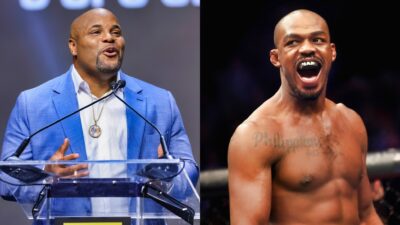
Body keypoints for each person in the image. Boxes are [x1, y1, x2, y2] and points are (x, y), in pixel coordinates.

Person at [0, 7, 198, 223]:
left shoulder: (159, 102)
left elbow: (189, 171)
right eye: (96, 32)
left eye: (116, 32)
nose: (109, 38)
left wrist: (166, 177)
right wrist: (44, 174)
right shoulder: (32, 103)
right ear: (73, 46)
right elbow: (5, 180)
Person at [228, 9, 383, 224]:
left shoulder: (351, 122)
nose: (308, 48)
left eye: (317, 40)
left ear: (332, 52)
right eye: (293, 42)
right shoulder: (254, 136)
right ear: (276, 57)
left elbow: (366, 214)